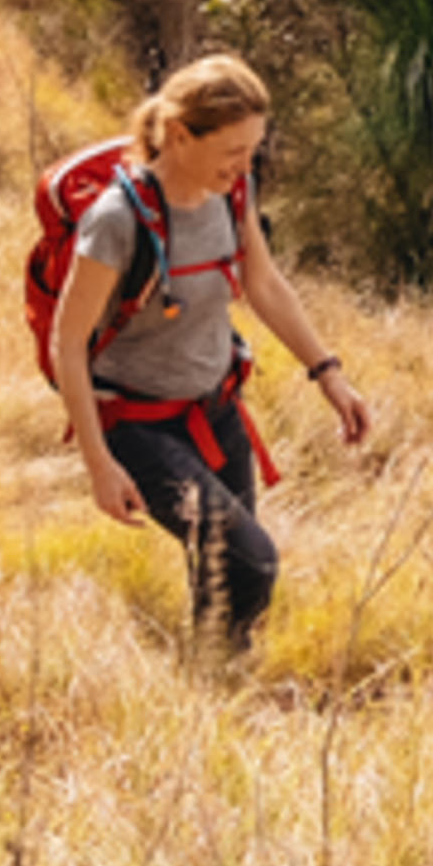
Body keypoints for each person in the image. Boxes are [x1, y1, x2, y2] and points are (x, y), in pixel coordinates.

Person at [47, 53, 371, 647]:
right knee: (253, 563)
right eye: (233, 152)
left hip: (217, 411)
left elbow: (264, 285)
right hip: (139, 426)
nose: (245, 166)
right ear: (177, 135)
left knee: (221, 575)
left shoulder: (232, 192)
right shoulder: (116, 221)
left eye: (252, 151)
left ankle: (211, 688)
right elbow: (67, 342)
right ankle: (212, 676)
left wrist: (328, 373)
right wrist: (99, 464)